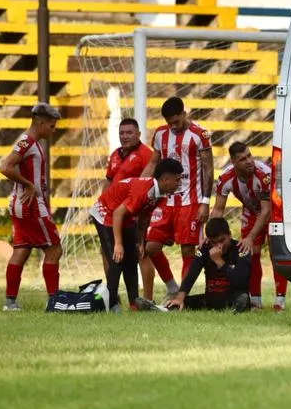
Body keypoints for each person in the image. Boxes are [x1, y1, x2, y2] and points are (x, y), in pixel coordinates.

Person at [139, 97, 214, 302]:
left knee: (188, 249)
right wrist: (140, 187)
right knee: (151, 247)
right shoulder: (160, 134)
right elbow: (154, 163)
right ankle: (172, 288)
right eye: (169, 122)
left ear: (184, 113)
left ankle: (182, 298)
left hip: (191, 201)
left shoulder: (200, 134)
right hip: (165, 200)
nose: (173, 126)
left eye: (176, 121)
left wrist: (206, 201)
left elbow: (208, 168)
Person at [92, 158, 183, 312]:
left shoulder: (159, 193)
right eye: (177, 180)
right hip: (106, 213)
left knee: (132, 260)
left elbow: (143, 217)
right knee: (117, 260)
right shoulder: (144, 190)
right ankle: (112, 305)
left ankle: (134, 304)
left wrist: (140, 242)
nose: (179, 184)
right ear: (165, 180)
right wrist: (118, 244)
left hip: (124, 217)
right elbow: (117, 213)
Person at [0, 102, 62, 312]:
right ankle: (54, 301)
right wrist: (28, 184)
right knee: (54, 249)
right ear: (41, 123)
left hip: (19, 203)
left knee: (21, 250)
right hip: (30, 205)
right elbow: (5, 167)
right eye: (51, 126)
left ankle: (10, 302)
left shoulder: (29, 142)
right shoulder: (27, 143)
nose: (53, 130)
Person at [213, 141, 288, 311]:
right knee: (250, 254)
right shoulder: (226, 179)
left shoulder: (264, 175)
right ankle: (255, 301)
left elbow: (267, 211)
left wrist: (250, 237)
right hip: (251, 211)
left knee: (275, 253)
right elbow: (218, 210)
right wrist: (210, 236)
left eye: (249, 156)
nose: (248, 161)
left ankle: (279, 302)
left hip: (274, 211)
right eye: (242, 159)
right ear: (233, 162)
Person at [91, 118, 154, 277]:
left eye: (129, 133)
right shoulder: (115, 154)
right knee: (107, 251)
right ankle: (111, 293)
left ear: (138, 134)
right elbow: (109, 181)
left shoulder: (147, 154)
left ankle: (147, 297)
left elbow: (150, 184)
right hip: (112, 212)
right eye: (122, 133)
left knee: (140, 252)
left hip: (132, 212)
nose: (124, 136)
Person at [165, 217, 251, 312]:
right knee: (178, 302)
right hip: (211, 299)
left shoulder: (240, 249)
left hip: (233, 298)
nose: (219, 246)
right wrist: (180, 296)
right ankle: (161, 308)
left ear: (229, 235)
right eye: (213, 242)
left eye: (222, 240)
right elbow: (192, 272)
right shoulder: (205, 248)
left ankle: (237, 308)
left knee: (243, 299)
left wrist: (219, 261)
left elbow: (241, 282)